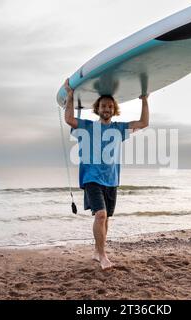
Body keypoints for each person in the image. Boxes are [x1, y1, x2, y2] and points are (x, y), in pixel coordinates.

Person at [64, 79, 149, 270]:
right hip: (91, 178)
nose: (107, 108)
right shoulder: (86, 126)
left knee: (106, 218)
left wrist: (144, 99)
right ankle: (102, 255)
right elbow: (69, 119)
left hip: (111, 179)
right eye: (103, 106)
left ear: (114, 109)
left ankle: (97, 250)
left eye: (110, 106)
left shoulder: (119, 129)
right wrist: (70, 96)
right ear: (98, 108)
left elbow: (144, 123)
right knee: (101, 215)